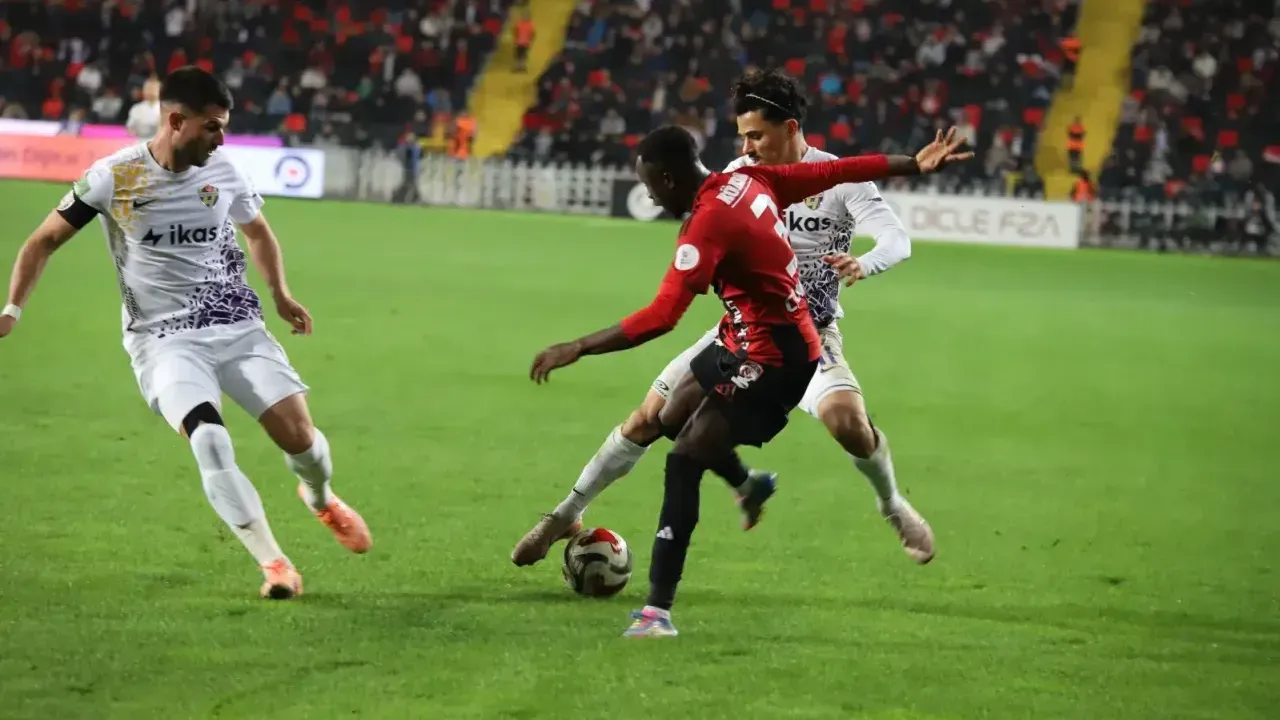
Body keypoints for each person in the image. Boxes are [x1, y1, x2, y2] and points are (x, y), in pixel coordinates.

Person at [529, 124, 971, 637]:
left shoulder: (709, 221)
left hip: (782, 350)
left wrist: (578, 346)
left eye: (650, 186)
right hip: (739, 334)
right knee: (665, 418)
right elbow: (842, 169)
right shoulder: (750, 179)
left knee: (690, 455)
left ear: (668, 178)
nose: (650, 197)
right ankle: (743, 485)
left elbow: (662, 316)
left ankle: (658, 612)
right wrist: (911, 163)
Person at [0, 67, 370, 600]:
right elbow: (41, 241)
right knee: (210, 440)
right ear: (176, 121)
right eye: (212, 127)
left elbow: (258, 232)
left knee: (301, 440)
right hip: (162, 340)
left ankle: (321, 499)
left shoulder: (224, 171)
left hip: (236, 325)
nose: (220, 139)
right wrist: (12, 309)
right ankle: (275, 565)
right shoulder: (114, 177)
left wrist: (281, 294)